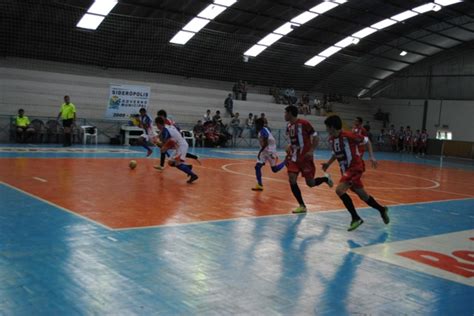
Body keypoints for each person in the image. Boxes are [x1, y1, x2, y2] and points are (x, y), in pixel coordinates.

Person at [322, 115, 389, 231]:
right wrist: (328, 164)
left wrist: (372, 156)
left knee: (339, 190)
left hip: (354, 167)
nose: (326, 130)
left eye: (327, 127)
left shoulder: (349, 136)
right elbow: (336, 154)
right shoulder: (332, 139)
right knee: (363, 196)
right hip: (345, 170)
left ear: (332, 127)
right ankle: (382, 209)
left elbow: (367, 141)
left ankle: (355, 218)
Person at [284, 105, 333, 214]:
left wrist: (311, 151)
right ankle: (302, 205)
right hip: (294, 157)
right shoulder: (288, 126)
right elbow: (292, 141)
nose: (284, 115)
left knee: (310, 183)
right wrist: (288, 146)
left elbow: (315, 136)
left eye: (285, 113)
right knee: (292, 179)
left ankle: (325, 179)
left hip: (305, 158)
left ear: (290, 113)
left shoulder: (304, 123)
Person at [155, 117, 198, 183]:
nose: (157, 127)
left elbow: (170, 142)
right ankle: (187, 167)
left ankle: (193, 175)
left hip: (181, 146)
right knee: (170, 162)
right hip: (179, 145)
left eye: (157, 125)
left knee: (177, 164)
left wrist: (163, 147)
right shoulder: (167, 127)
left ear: (159, 124)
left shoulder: (166, 131)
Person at [251, 118, 286, 191]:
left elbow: (266, 141)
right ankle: (260, 185)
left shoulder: (263, 131)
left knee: (274, 169)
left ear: (259, 125)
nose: (255, 126)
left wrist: (260, 151)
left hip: (270, 151)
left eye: (256, 124)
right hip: (265, 150)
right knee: (257, 167)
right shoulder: (263, 129)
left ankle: (286, 161)